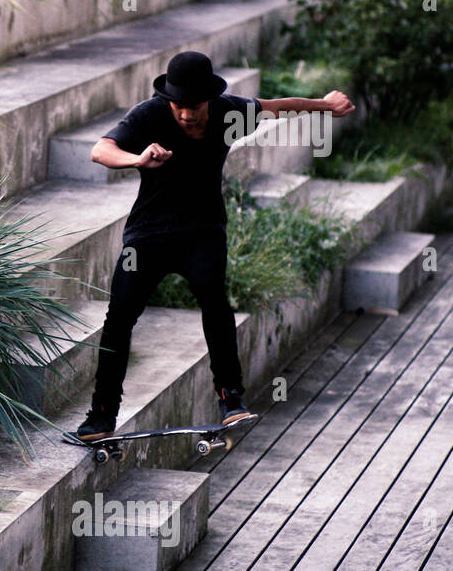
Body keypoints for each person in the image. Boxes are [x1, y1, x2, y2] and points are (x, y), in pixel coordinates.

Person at [71, 50, 354, 441]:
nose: (187, 115)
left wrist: (324, 105)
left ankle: (230, 399)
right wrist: (138, 159)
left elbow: (278, 107)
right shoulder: (149, 115)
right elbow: (100, 150)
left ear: (210, 99)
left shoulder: (230, 111)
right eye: (179, 107)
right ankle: (101, 416)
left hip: (202, 232)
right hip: (147, 237)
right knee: (119, 318)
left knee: (215, 305)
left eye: (195, 107)